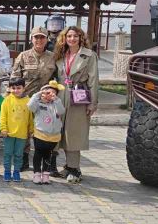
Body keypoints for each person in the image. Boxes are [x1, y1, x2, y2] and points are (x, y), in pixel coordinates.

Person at [54, 26, 99, 183]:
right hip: (61, 95)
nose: (72, 39)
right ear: (64, 38)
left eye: (75, 36)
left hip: (79, 95)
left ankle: (75, 169)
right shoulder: (61, 55)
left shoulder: (89, 55)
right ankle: (68, 166)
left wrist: (93, 103)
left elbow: (93, 80)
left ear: (81, 38)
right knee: (62, 132)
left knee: (75, 132)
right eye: (69, 36)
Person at [11, 26, 58, 174]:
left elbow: (58, 79)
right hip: (27, 100)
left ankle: (50, 163)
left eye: (42, 37)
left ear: (46, 39)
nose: (39, 40)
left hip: (46, 101)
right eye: (36, 37)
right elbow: (14, 78)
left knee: (48, 131)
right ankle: (22, 161)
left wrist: (53, 92)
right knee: (24, 131)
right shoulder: (23, 56)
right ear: (31, 39)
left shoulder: (54, 57)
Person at [28, 81, 66, 185]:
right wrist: (38, 95)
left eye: (53, 93)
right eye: (47, 92)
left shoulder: (56, 104)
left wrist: (57, 100)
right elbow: (30, 106)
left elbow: (61, 111)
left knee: (48, 155)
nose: (50, 95)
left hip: (53, 136)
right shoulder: (38, 104)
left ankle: (45, 174)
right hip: (40, 135)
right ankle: (36, 174)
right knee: (38, 154)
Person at [0, 77, 34, 182]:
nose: (16, 90)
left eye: (18, 88)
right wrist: (3, 128)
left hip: (22, 134)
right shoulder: (7, 100)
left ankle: (16, 172)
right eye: (13, 88)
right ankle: (7, 172)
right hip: (8, 134)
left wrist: (32, 130)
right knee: (8, 153)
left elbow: (30, 118)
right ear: (9, 88)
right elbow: (3, 116)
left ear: (24, 88)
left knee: (19, 155)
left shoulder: (28, 101)